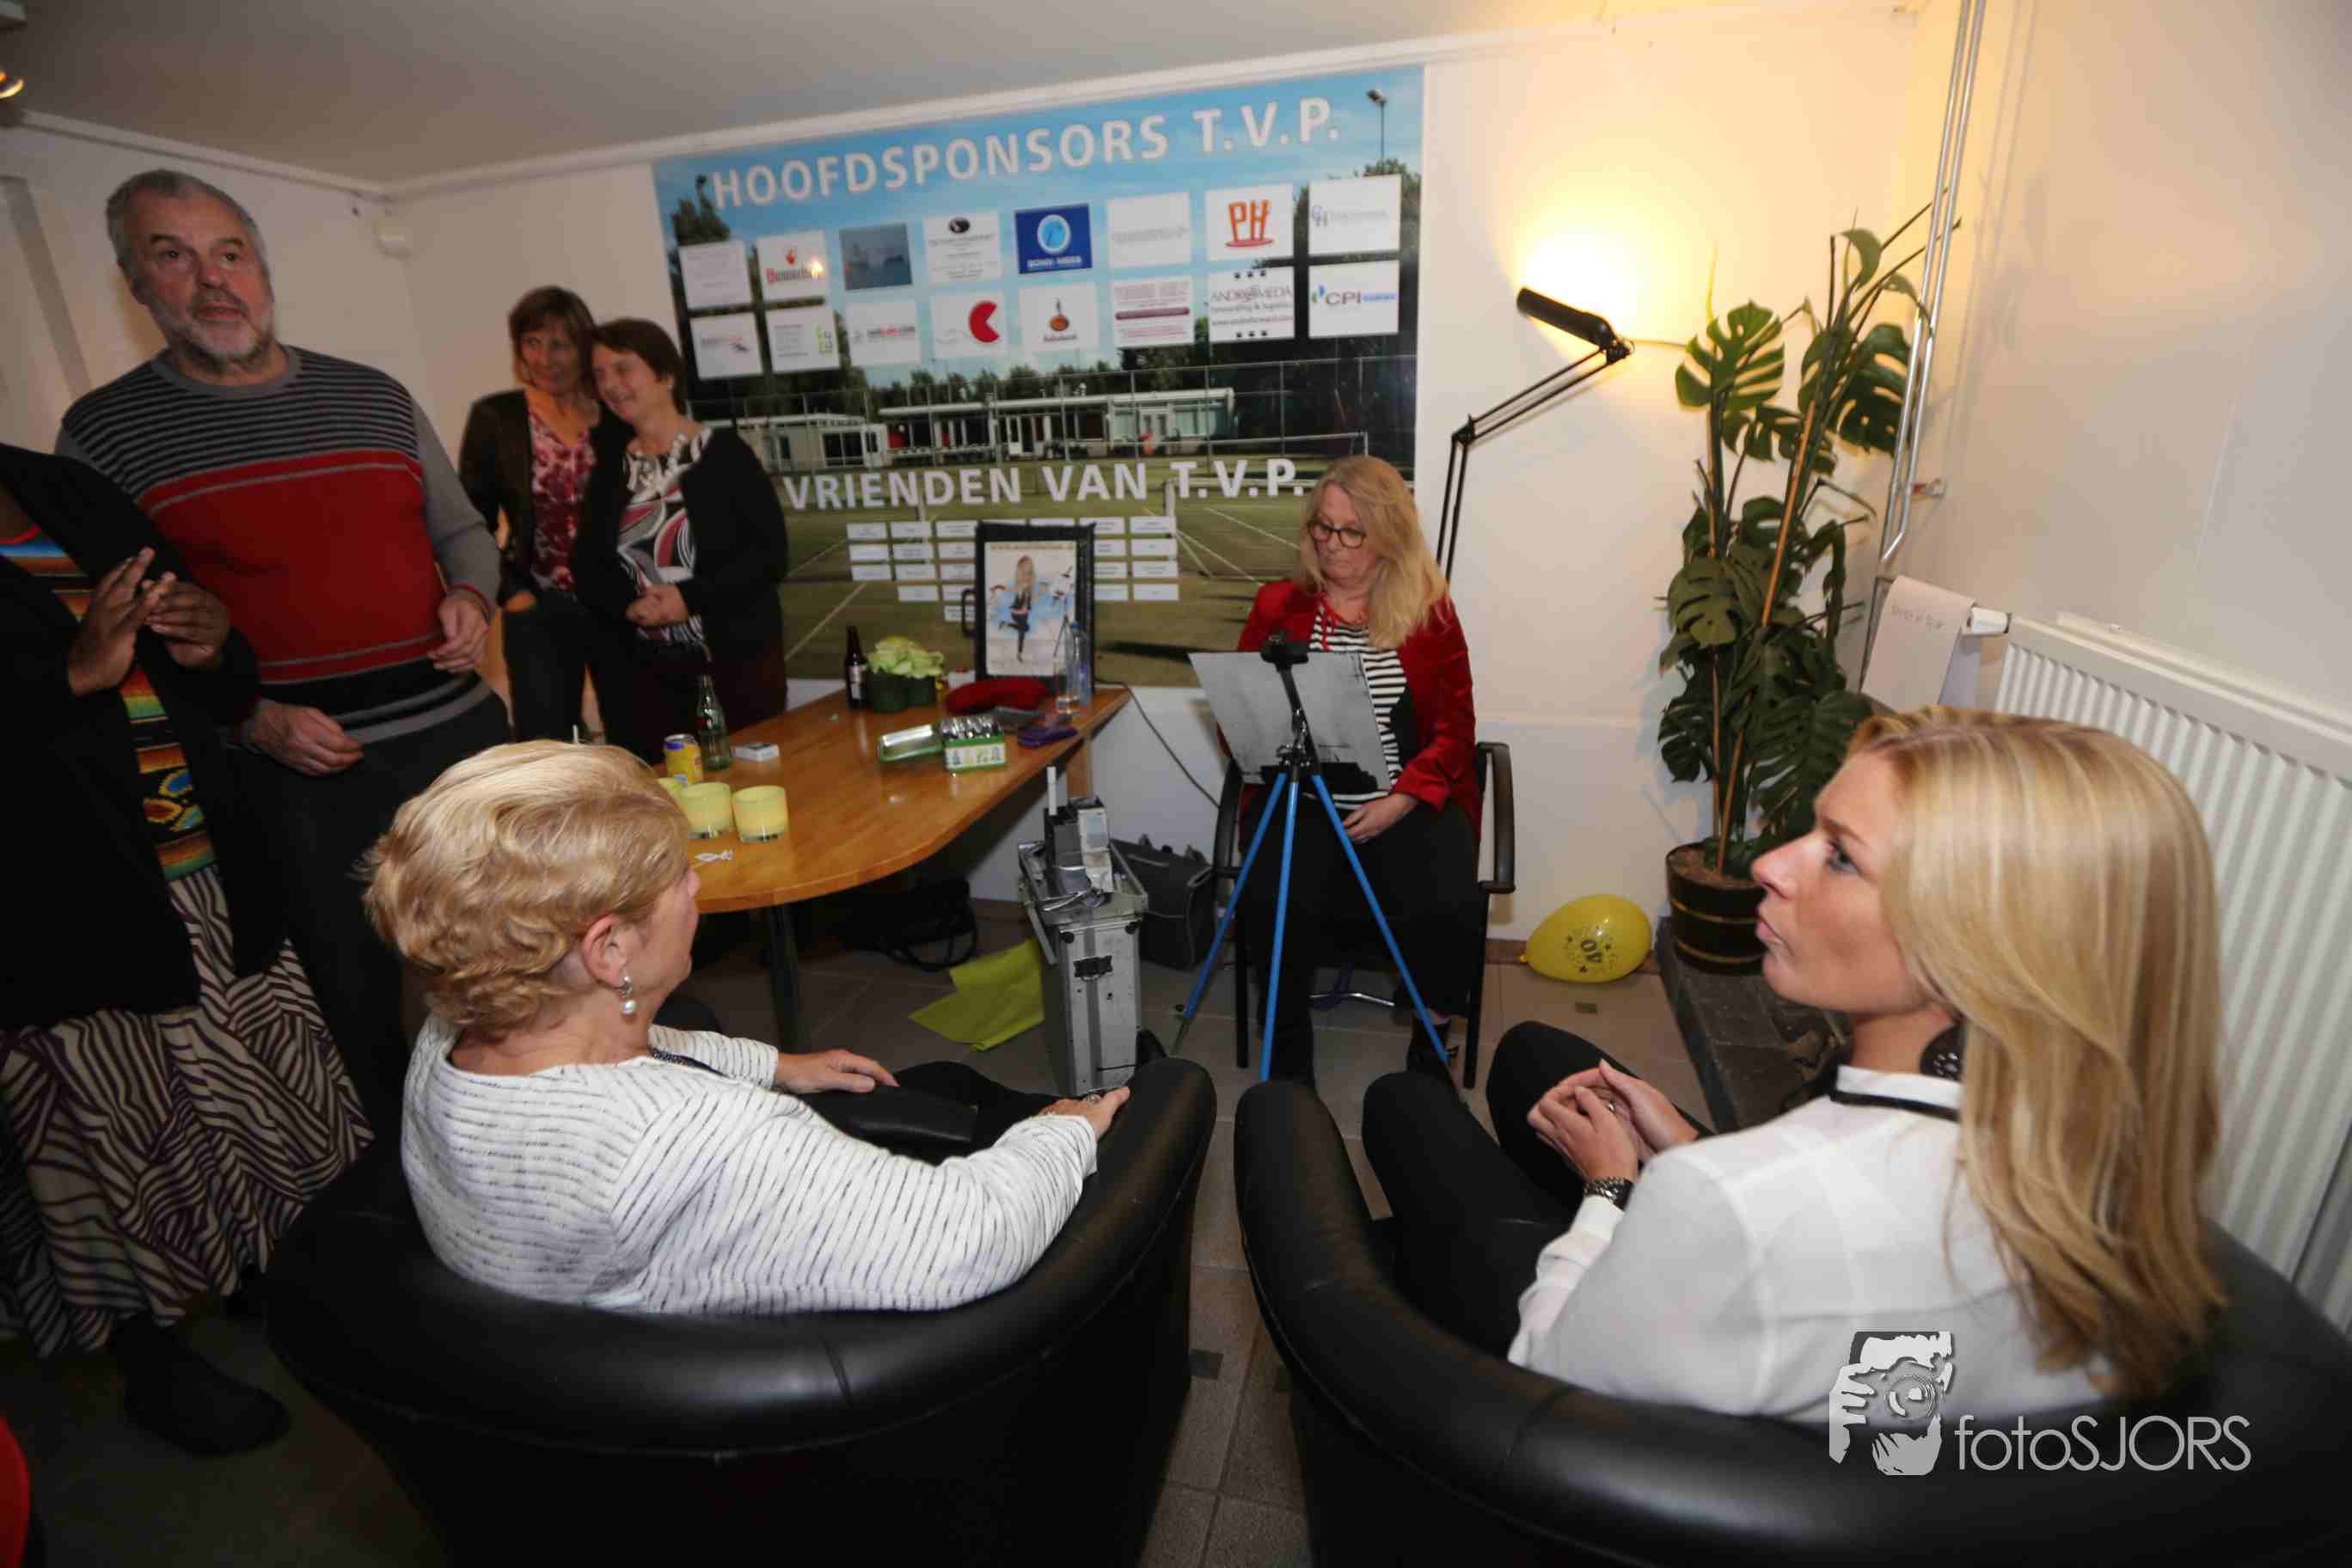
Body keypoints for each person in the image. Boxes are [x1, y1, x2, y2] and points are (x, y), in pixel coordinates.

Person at [1362, 709, 2227, 1428]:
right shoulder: (2104, 1168)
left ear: (1974, 939)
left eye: (1841, 855)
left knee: (1408, 1109)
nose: (1770, 864)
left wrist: (1612, 1190)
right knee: (1535, 1055)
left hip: (1558, 1382)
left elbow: (1549, 1366)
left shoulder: (1726, 1201)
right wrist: (1688, 1143)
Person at [56, 168, 508, 1138]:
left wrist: (472, 596)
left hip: (454, 742)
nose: (212, 279)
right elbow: (114, 632)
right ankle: (406, 1183)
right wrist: (251, 720)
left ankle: (539, 1144)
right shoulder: (103, 435)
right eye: (174, 257)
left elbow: (465, 533)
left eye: (230, 253)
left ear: (262, 268)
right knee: (360, 1001)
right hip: (294, 769)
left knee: (519, 961)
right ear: (136, 284)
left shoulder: (375, 397)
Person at [364, 742, 1128, 1314]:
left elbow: (633, 1048)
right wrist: (1064, 1129)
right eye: (678, 873)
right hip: (838, 1367)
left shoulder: (450, 1030)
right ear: (610, 949)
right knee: (1126, 1109)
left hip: (589, 1330)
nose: (698, 883)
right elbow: (968, 1239)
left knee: (947, 1084)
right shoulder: (699, 1136)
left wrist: (777, 1065)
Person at [2, 444, 369, 1455]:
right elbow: (68, 683)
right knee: (116, 1128)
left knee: (261, 1087)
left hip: (203, 859)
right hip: (62, 904)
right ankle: (153, 1361)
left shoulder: (66, 489)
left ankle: (269, 1272)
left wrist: (212, 648)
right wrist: (69, 674)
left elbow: (218, 673)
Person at [1234, 455, 1482, 1088]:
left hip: (1403, 798)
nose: (1331, 543)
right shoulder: (1279, 606)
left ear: (1388, 537)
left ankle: (1430, 1042)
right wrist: (1250, 727)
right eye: (1323, 526)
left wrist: (1403, 799)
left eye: (1350, 531)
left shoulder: (1428, 612)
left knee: (1446, 895)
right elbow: (1244, 713)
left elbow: (1456, 730)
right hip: (1302, 798)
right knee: (1273, 896)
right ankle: (1288, 1061)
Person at [574, 319, 787, 762]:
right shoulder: (610, 470)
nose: (610, 385)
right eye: (600, 374)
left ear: (666, 375)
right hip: (640, 682)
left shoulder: (725, 455)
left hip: (733, 671)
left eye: (623, 368)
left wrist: (688, 599)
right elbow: (589, 566)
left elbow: (769, 556)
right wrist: (630, 607)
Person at [457, 285, 634, 742]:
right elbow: (470, 520)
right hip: (536, 609)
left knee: (637, 734)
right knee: (547, 748)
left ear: (584, 347)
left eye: (560, 344)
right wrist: (512, 593)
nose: (544, 359)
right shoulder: (496, 418)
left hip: (618, 605)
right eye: (532, 343)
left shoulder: (618, 417)